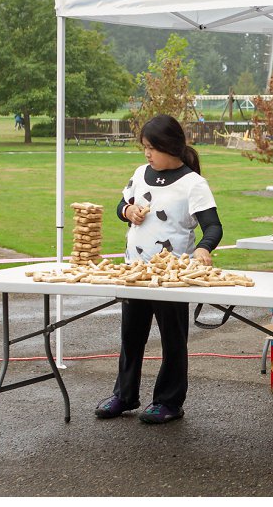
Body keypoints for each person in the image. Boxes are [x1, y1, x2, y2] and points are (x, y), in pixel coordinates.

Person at [94, 114, 223, 424]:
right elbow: (120, 206)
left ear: (170, 146)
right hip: (135, 273)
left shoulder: (193, 184)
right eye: (145, 148)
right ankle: (125, 395)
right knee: (131, 337)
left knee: (173, 340)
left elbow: (213, 227)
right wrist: (128, 211)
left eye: (152, 148)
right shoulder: (140, 174)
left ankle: (169, 401)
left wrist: (203, 248)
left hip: (172, 278)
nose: (147, 154)